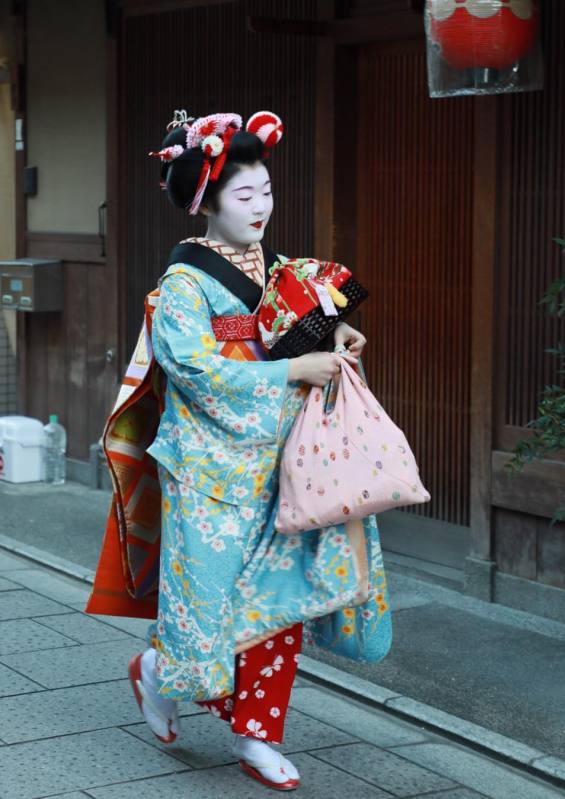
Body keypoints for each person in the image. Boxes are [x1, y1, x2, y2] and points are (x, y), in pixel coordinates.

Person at [89, 109, 391, 792]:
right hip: (209, 472)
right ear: (204, 201)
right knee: (210, 610)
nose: (262, 207)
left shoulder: (282, 269)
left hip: (284, 463)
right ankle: (159, 676)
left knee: (277, 605)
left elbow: (308, 332)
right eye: (245, 195)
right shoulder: (183, 288)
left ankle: (258, 735)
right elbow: (195, 370)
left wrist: (336, 341)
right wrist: (289, 371)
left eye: (267, 192)